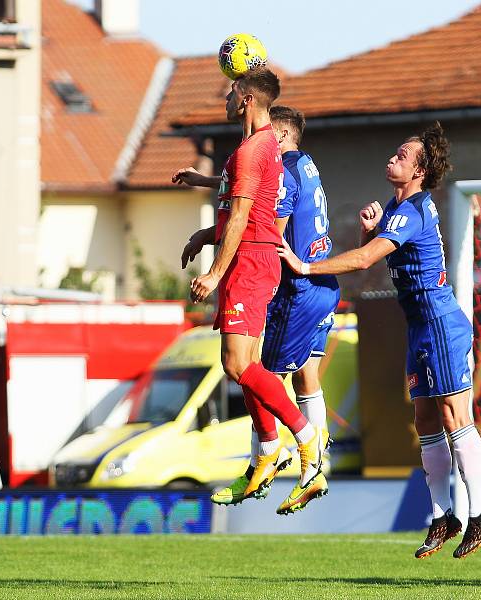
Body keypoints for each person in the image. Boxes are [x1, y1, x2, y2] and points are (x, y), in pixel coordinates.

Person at [278, 121, 481, 559]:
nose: (393, 156)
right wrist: (370, 232)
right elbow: (375, 253)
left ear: (418, 171)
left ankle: (479, 515)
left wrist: (305, 267)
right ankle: (443, 517)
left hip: (439, 321)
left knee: (456, 417)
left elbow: (363, 262)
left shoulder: (413, 209)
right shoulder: (400, 211)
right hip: (418, 324)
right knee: (425, 420)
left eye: (403, 154)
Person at [173, 69, 324, 505]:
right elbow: (238, 200)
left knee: (239, 365)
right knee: (245, 367)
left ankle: (306, 441)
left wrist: (214, 272)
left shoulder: (253, 150)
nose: (224, 95)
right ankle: (266, 453)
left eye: (231, 90)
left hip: (251, 262)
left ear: (246, 99)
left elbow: (241, 216)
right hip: (251, 258)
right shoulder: (254, 149)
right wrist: (205, 234)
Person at [200, 106, 340, 514]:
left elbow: (264, 225)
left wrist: (214, 249)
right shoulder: (305, 166)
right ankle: (311, 454)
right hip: (322, 289)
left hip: (295, 287)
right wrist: (209, 182)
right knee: (305, 378)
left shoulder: (285, 172)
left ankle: (282, 457)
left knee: (254, 371)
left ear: (278, 136)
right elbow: (255, 186)